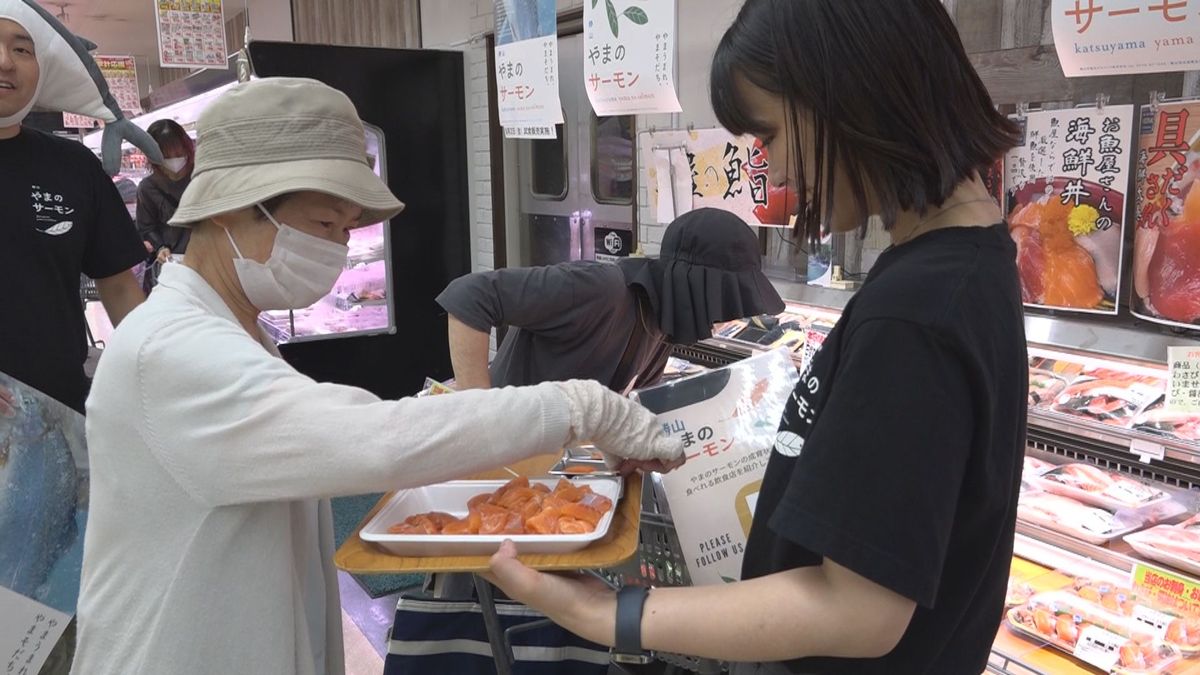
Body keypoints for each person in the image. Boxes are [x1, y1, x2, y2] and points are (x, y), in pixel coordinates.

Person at [70, 77, 683, 675]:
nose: (337, 250)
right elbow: (378, 438)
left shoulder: (231, 331)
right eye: (323, 223)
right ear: (234, 209)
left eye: (347, 229)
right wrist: (586, 407)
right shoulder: (173, 351)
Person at [483, 2, 1028, 674]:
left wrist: (609, 614)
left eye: (767, 135)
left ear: (849, 94)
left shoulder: (915, 310)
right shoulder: (971, 261)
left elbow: (858, 608)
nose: (771, 169)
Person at [437, 207, 785, 393]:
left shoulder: (664, 326)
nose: (723, 320)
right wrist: (479, 411)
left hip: (555, 463)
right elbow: (470, 295)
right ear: (696, 286)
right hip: (508, 448)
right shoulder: (600, 288)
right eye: (723, 303)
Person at [0, 16, 145, 416]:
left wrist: (158, 366)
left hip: (58, 416)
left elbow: (118, 287)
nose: (5, 61)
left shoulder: (74, 166)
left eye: (22, 49)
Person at [136, 118, 194, 274]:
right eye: (166, 156)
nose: (174, 161)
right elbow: (147, 227)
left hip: (209, 259)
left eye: (179, 154)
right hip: (173, 263)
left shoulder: (200, 177)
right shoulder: (147, 188)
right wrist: (160, 246)